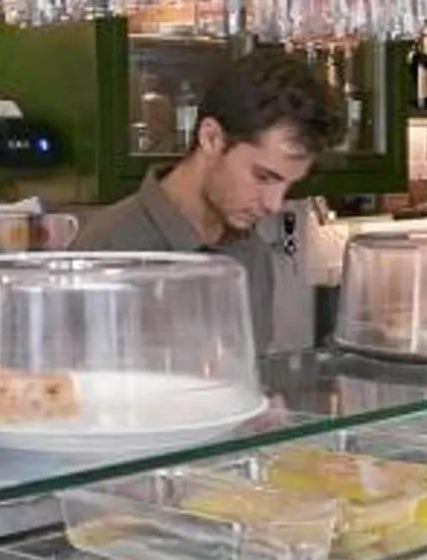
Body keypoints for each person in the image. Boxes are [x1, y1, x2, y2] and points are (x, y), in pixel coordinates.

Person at [73, 51, 344, 354]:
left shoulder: (252, 255)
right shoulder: (106, 248)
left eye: (288, 185)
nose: (274, 204)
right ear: (212, 138)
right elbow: (70, 390)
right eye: (263, 177)